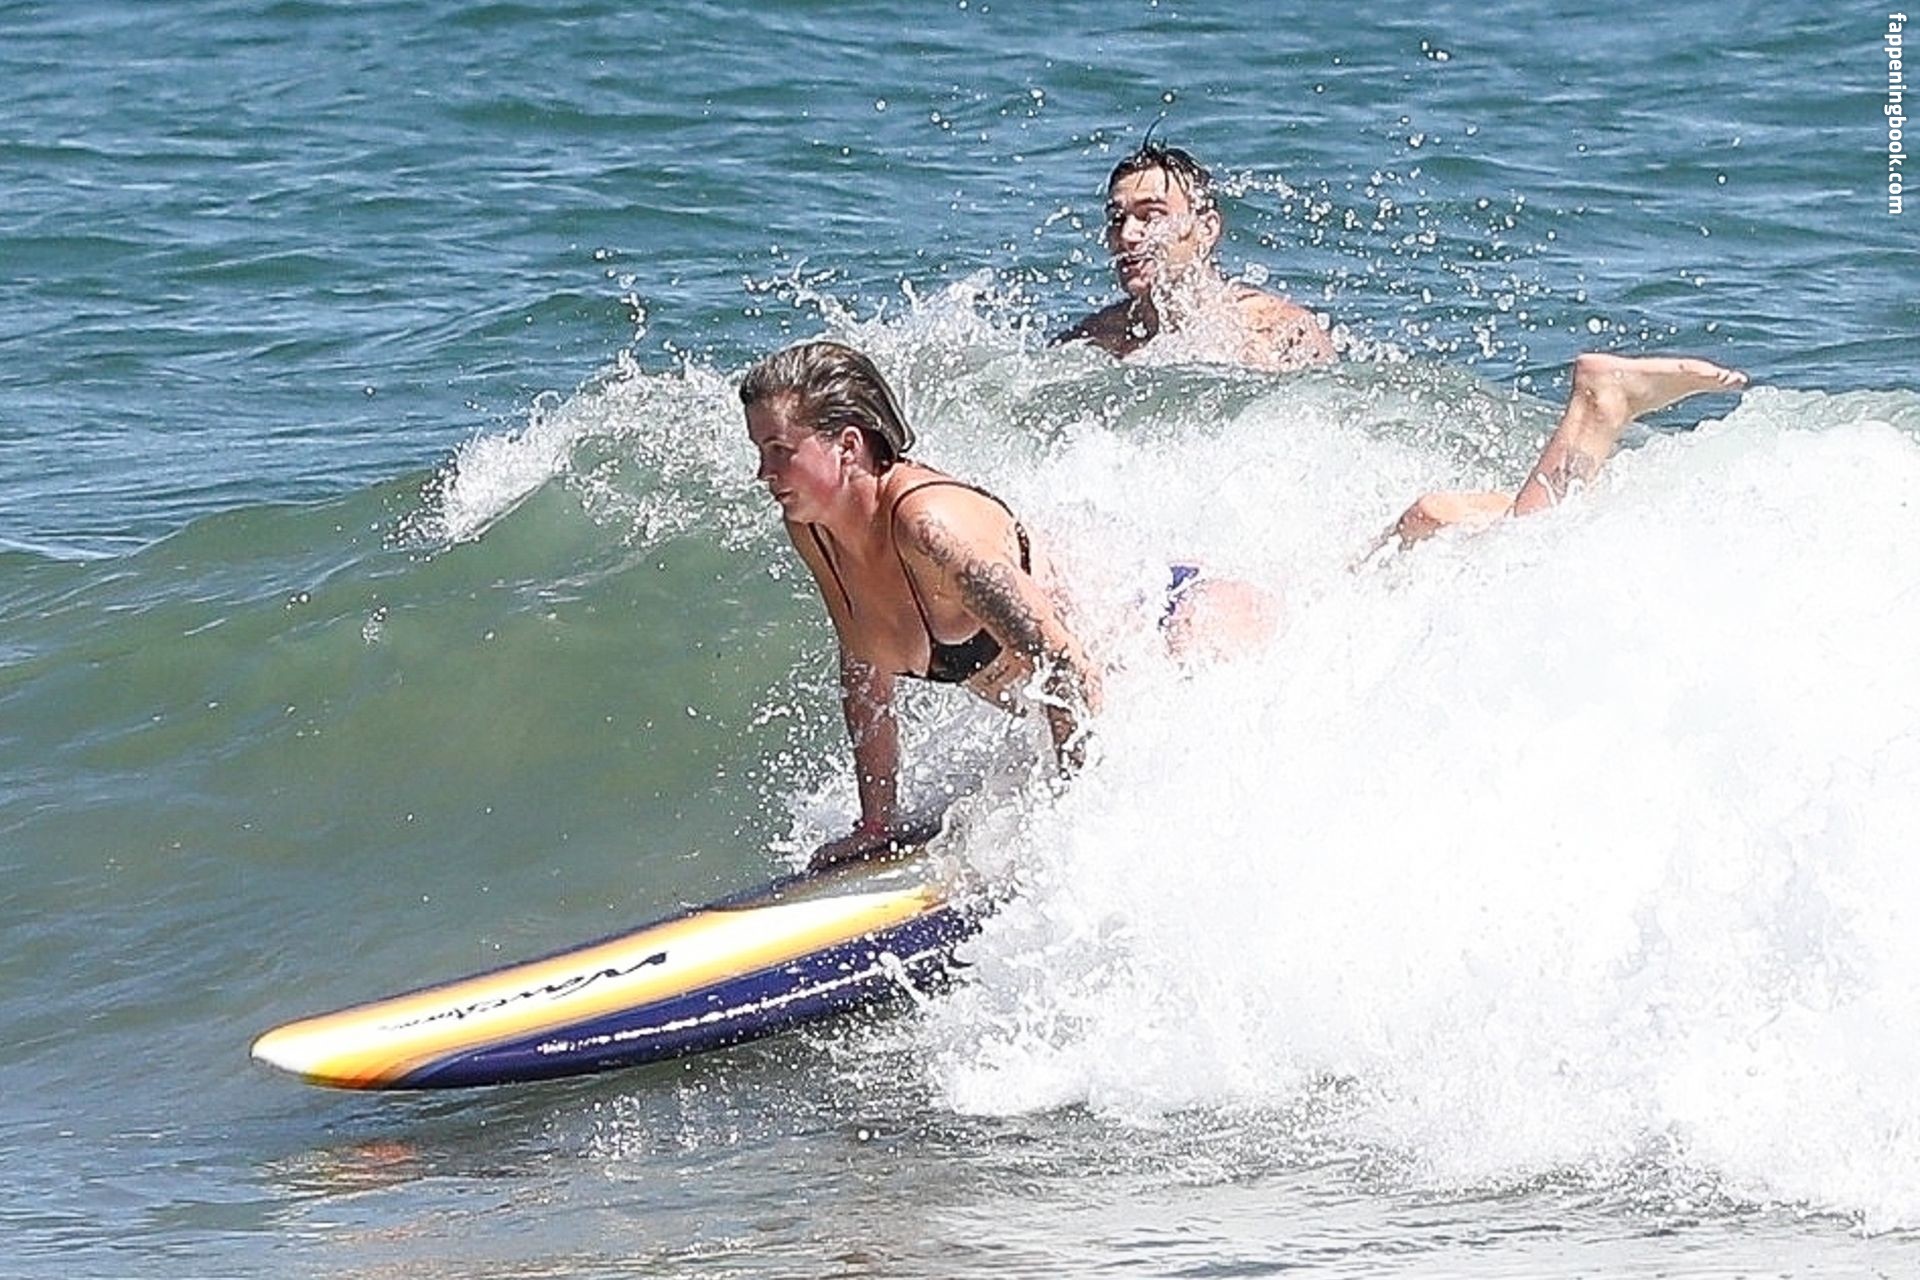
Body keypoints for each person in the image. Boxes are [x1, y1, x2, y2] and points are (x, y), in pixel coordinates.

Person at [740, 340, 1102, 870]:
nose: (763, 472)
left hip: (1170, 636)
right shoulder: (814, 529)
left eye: (779, 450)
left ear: (847, 445)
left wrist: (1072, 821)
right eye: (760, 451)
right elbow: (863, 670)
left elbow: (1067, 668)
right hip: (1090, 711)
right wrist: (876, 825)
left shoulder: (931, 532)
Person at [1056, 141, 1337, 373]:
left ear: (1206, 229)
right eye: (1117, 219)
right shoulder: (1093, 339)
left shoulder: (1279, 330)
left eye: (1151, 216)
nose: (1127, 234)